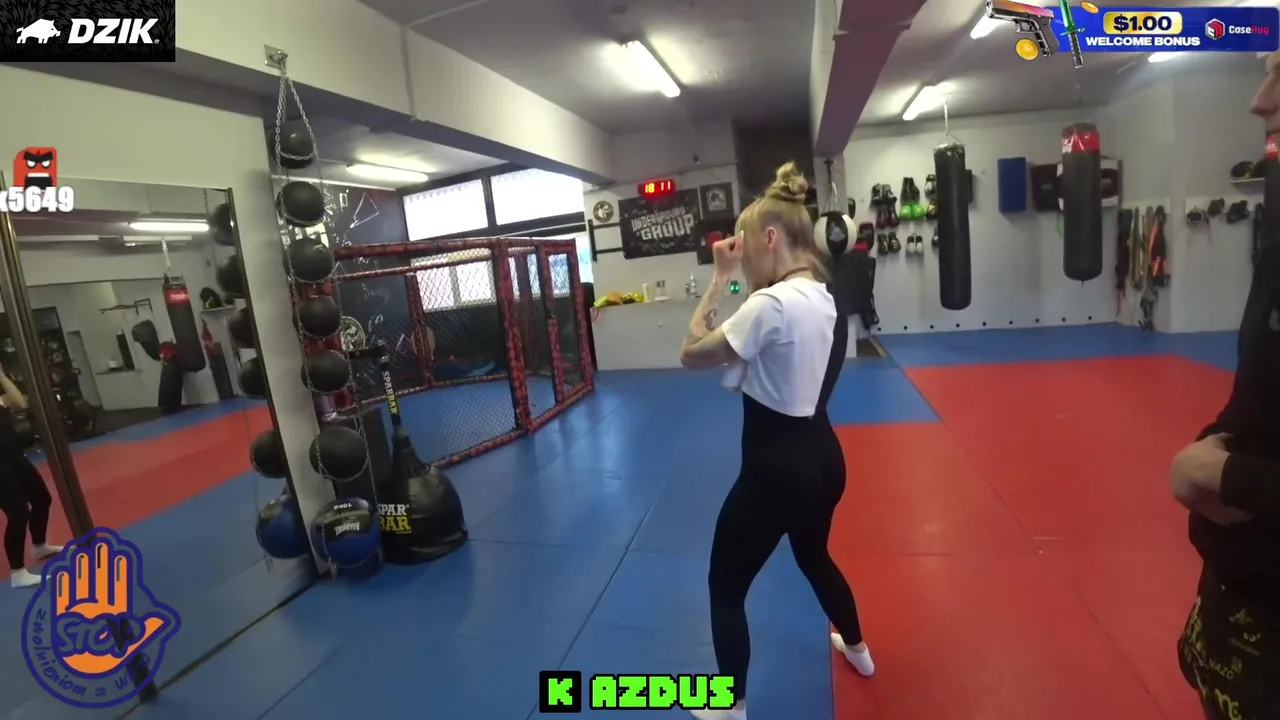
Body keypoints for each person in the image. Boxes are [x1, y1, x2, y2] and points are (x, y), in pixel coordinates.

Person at [678, 162, 871, 720]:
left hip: (775, 471)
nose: (745, 261)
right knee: (814, 556)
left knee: (724, 586)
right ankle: (859, 651)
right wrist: (741, 279)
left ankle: (729, 707)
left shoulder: (771, 306)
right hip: (824, 459)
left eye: (749, 248)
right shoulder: (825, 298)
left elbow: (690, 353)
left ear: (770, 238)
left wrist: (719, 279)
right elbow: (764, 337)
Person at [1168, 50, 1280, 720]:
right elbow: (1259, 393)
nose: (1259, 99)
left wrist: (1227, 475)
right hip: (1238, 613)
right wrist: (1211, 449)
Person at [0, 368, 62, 588]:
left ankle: (40, 546)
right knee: (18, 512)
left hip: (12, 455)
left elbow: (20, 403)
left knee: (41, 498)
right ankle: (18, 573)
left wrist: (2, 376)